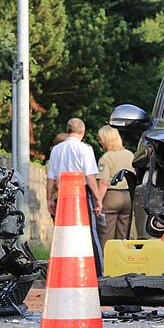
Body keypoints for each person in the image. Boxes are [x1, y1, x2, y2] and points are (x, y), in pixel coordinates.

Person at [46, 117, 104, 273]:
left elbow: (50, 178)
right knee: (90, 232)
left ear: (67, 131)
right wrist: (98, 198)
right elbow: (90, 177)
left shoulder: (56, 150)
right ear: (83, 132)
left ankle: (63, 271)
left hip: (62, 194)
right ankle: (98, 272)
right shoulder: (85, 149)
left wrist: (49, 199)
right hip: (81, 194)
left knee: (64, 234)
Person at [95, 125, 134, 246]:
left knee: (106, 237)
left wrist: (99, 201)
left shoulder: (106, 158)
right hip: (128, 197)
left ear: (106, 139)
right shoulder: (130, 155)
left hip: (111, 198)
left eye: (100, 139)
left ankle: (106, 263)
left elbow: (103, 182)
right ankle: (122, 263)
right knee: (123, 236)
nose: (99, 141)